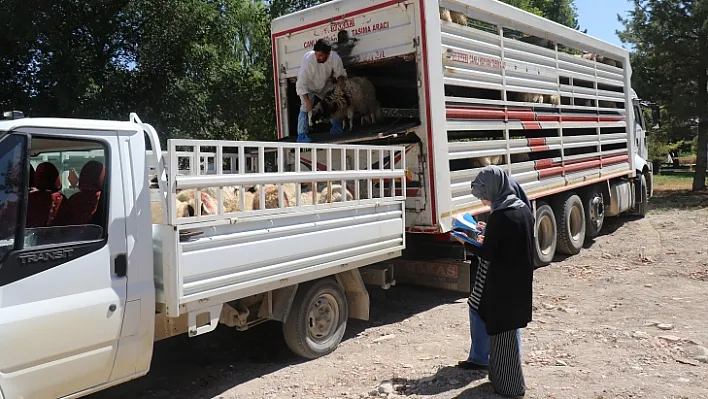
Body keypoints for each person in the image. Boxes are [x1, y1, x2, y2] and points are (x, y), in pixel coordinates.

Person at [459, 165, 534, 398]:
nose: (483, 200)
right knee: (506, 336)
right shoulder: (521, 208)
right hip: (518, 282)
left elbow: (489, 253)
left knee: (502, 338)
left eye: (484, 195)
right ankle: (498, 379)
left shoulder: (501, 215)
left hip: (503, 284)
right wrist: (488, 231)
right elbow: (510, 242)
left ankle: (510, 387)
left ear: (493, 188)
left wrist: (465, 241)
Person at [295, 38, 348, 143]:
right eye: (316, 55)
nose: (317, 57)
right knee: (305, 107)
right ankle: (301, 135)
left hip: (324, 84)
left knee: (332, 101)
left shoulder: (335, 58)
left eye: (321, 56)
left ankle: (337, 128)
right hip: (308, 87)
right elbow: (301, 84)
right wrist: (308, 101)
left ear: (328, 54)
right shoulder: (308, 61)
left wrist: (342, 90)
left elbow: (340, 74)